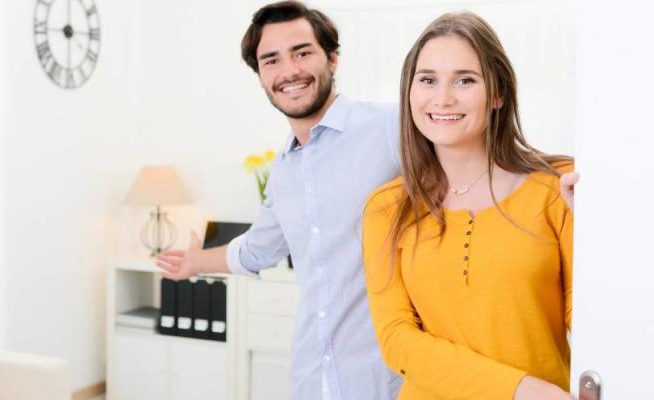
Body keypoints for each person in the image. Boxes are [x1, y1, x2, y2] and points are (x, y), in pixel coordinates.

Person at [156, 1, 402, 398]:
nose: (289, 71)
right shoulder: (285, 171)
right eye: (271, 60)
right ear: (260, 76)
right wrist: (198, 261)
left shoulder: (392, 128)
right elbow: (258, 249)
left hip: (388, 379)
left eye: (302, 52)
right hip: (313, 377)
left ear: (333, 59)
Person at [362, 11, 578, 400]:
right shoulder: (387, 207)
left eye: (465, 80)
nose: (442, 98)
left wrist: (606, 231)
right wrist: (522, 390)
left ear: (497, 93)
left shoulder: (557, 187)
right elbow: (397, 341)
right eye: (427, 80)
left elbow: (597, 319)